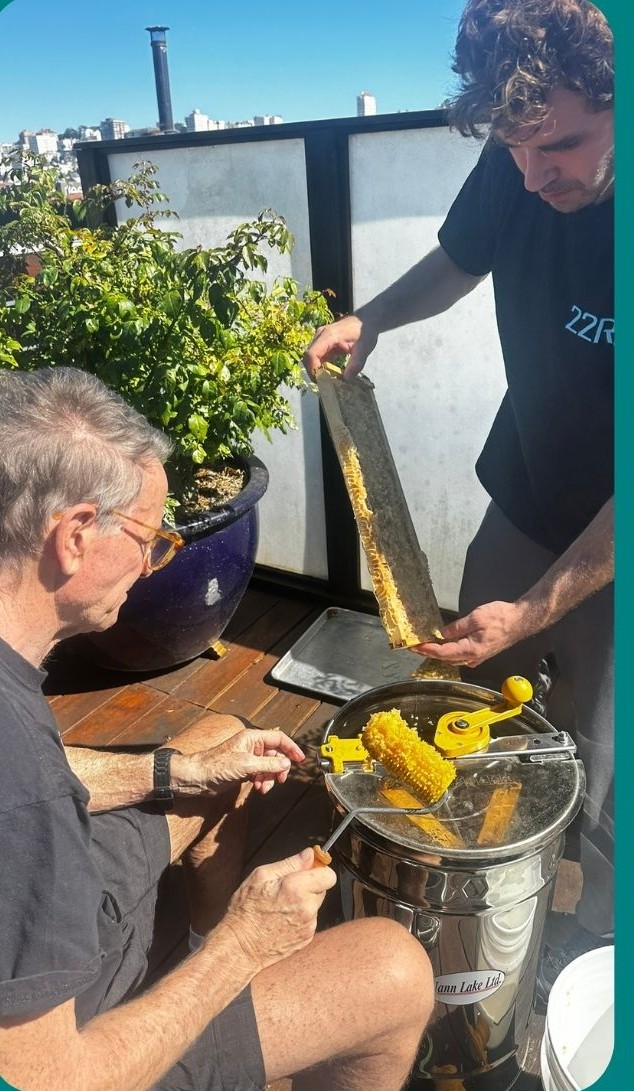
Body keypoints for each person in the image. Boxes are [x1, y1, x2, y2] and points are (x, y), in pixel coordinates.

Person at [0, 369, 434, 1091]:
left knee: (214, 743)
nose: (152, 561)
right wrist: (240, 947)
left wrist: (174, 772)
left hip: (39, 909)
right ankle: (199, 992)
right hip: (68, 1051)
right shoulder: (28, 794)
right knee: (394, 970)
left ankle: (193, 971)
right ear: (74, 534)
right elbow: (53, 1082)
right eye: (150, 537)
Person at [301, 0, 616, 941]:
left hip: (614, 541)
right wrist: (375, 319)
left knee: (595, 766)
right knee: (469, 711)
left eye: (559, 146)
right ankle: (462, 894)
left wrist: (537, 609)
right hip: (521, 492)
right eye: (514, 149)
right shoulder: (517, 158)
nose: (532, 173)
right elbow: (457, 258)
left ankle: (582, 937)